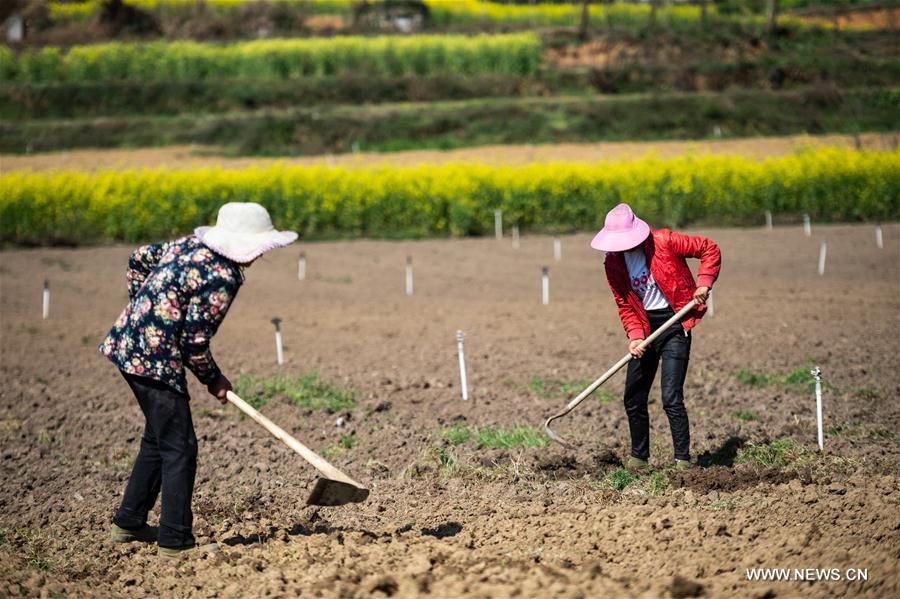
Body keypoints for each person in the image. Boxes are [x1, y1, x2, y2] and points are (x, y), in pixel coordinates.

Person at [100, 202, 297, 557]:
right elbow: (193, 342)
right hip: (153, 360)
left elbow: (138, 257)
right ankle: (175, 541)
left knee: (159, 438)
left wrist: (145, 309)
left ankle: (129, 522)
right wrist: (215, 379)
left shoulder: (188, 245)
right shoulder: (223, 276)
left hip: (127, 341)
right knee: (181, 447)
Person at [591, 203, 721, 471]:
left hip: (675, 322)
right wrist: (636, 336)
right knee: (633, 396)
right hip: (645, 328)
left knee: (671, 396)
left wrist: (704, 283)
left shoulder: (664, 241)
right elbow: (624, 303)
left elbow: (708, 248)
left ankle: (683, 462)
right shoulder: (613, 263)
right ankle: (639, 459)